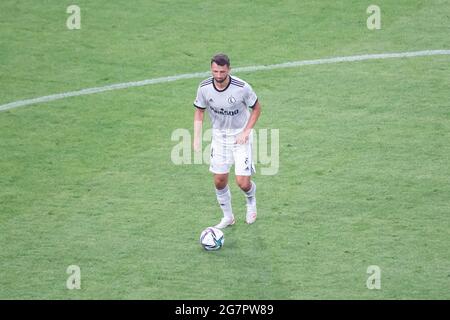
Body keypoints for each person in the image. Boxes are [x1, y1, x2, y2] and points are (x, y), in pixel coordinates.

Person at [193, 53, 262, 229]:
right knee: (219, 180)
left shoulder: (242, 87)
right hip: (219, 138)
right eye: (215, 71)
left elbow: (256, 108)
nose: (218, 76)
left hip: (240, 137)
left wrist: (247, 131)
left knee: (242, 182)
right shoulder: (204, 88)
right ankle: (228, 217)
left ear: (229, 70)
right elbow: (199, 111)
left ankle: (251, 202)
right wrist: (197, 137)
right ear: (211, 69)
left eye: (222, 72)